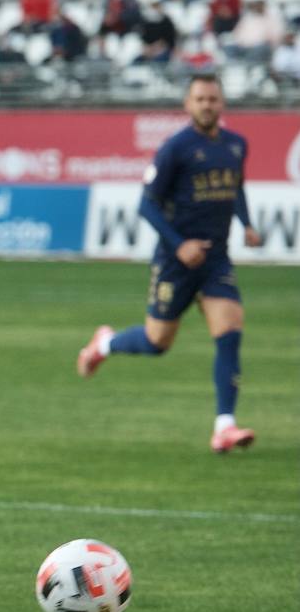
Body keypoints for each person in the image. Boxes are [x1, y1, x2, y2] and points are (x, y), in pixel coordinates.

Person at [77, 74, 262, 454]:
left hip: (216, 259)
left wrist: (246, 223)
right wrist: (178, 246)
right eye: (200, 99)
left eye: (213, 98)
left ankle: (224, 427)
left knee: (230, 332)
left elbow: (236, 187)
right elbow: (147, 204)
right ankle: (105, 344)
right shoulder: (175, 148)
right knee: (157, 341)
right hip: (176, 263)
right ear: (187, 104)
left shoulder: (236, 145)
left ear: (222, 103)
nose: (207, 105)